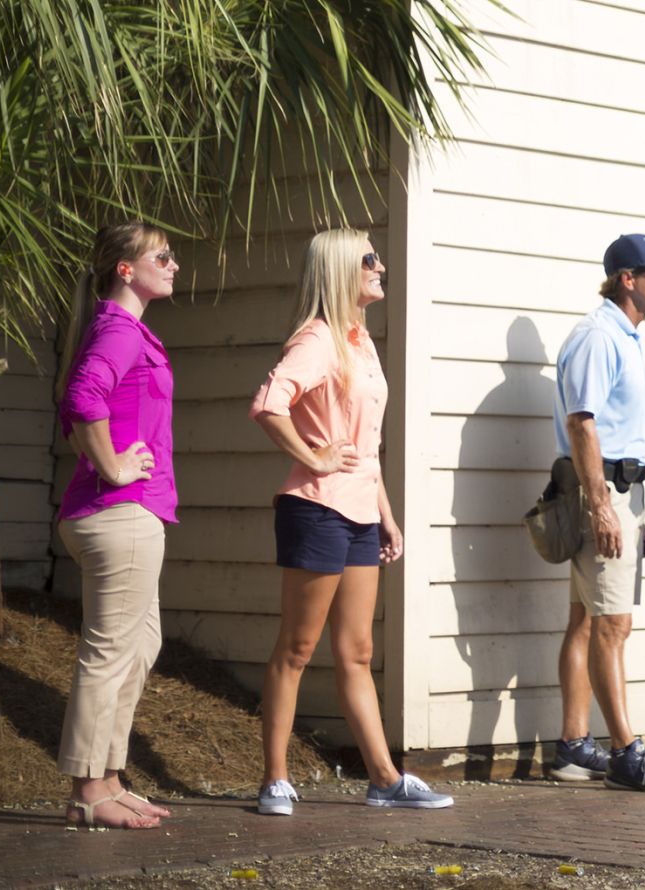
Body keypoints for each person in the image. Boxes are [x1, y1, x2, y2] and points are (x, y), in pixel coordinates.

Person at [249, 228, 450, 815]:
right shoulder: (316, 340)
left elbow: (368, 446)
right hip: (315, 507)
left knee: (358, 651)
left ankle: (385, 778)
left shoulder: (360, 341)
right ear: (340, 270)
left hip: (361, 511)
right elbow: (267, 403)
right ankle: (276, 780)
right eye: (369, 259)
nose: (380, 265)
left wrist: (387, 516)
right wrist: (311, 457)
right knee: (298, 646)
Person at [546, 234, 645, 792]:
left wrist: (632, 507)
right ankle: (627, 755)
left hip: (619, 489)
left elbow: (611, 428)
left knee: (586, 621)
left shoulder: (624, 336)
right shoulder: (598, 335)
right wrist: (604, 507)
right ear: (626, 278)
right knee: (613, 624)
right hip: (601, 492)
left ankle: (572, 747)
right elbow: (582, 424)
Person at [53, 221, 182, 829]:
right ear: (125, 269)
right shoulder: (119, 329)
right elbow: (83, 397)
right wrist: (112, 464)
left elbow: (84, 400)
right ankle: (87, 792)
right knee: (109, 654)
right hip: (119, 514)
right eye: (162, 255)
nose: (174, 264)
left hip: (127, 514)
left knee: (139, 645)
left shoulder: (122, 330)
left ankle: (108, 778)